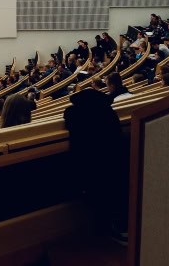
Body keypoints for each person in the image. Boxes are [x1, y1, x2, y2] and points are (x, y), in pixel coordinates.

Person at [63, 89, 128, 245]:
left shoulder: (76, 114)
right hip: (114, 166)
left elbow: (68, 115)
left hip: (90, 170)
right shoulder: (109, 113)